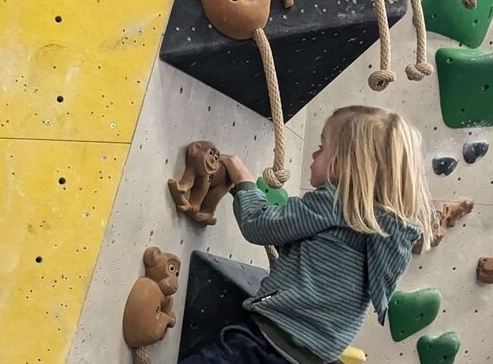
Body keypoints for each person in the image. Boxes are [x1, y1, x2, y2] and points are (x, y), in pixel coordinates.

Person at [180, 105, 434, 364]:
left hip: (269, 345)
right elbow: (318, 259)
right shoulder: (378, 229)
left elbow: (258, 225)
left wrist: (241, 179)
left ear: (347, 163)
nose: (314, 153)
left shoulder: (336, 203)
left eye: (322, 147)